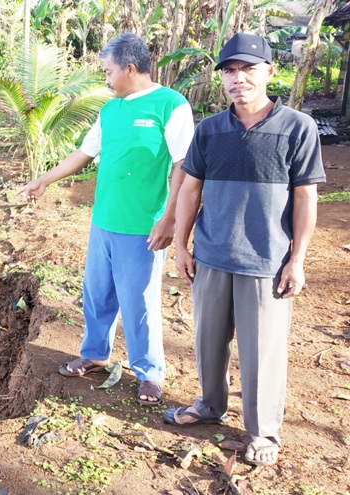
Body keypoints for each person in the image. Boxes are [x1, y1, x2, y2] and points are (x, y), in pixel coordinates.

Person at [165, 33, 325, 466]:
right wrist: (181, 244)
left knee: (262, 351)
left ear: (270, 72)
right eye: (230, 71)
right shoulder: (210, 129)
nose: (239, 79)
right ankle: (210, 406)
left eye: (248, 69)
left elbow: (307, 197)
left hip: (266, 262)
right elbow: (189, 189)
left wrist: (298, 259)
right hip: (212, 255)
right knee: (207, 341)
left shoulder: (297, 128)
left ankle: (264, 433)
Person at [17, 33, 194, 406]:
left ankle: (149, 372)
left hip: (143, 226)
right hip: (104, 221)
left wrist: (170, 218)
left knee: (140, 302)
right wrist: (44, 179)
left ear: (131, 68)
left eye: (109, 72)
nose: (106, 79)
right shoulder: (110, 111)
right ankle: (96, 354)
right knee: (97, 294)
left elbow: (183, 164)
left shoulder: (170, 105)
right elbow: (83, 153)